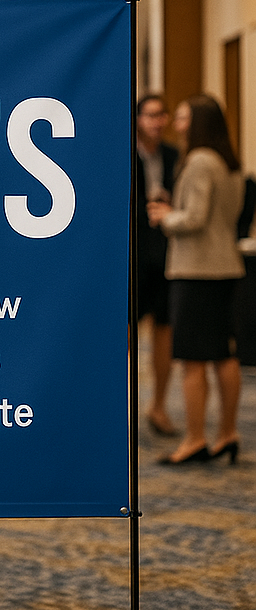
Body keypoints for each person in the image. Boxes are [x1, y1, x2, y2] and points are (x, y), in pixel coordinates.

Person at [148, 94, 244, 465]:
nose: (177, 122)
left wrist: (165, 216)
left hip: (196, 269)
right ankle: (227, 432)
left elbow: (195, 218)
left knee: (191, 360)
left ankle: (195, 438)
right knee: (223, 353)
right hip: (225, 266)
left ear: (200, 122)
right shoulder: (229, 161)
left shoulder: (201, 161)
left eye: (184, 116)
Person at [135, 95, 178, 436]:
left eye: (162, 114)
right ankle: (120, 407)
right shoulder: (121, 152)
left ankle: (159, 405)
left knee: (165, 331)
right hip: (131, 256)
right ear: (137, 119)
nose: (157, 121)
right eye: (150, 115)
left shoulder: (176, 156)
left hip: (166, 255)